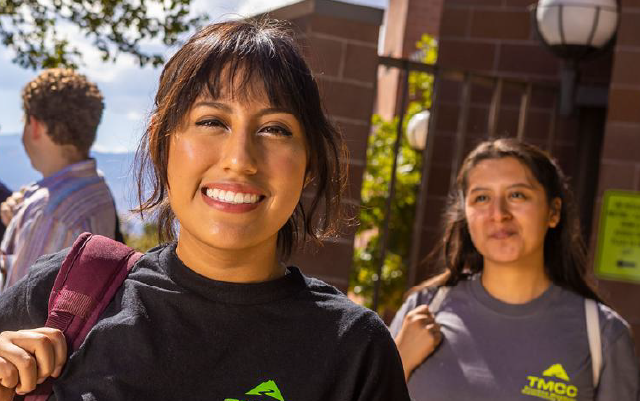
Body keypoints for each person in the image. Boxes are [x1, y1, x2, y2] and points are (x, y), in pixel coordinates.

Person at [0, 19, 411, 400]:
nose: (240, 159)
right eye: (212, 121)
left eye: (274, 129)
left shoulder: (354, 351)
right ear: (163, 146)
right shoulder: (63, 295)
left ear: (308, 167)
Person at [390, 138, 640, 401]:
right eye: (482, 198)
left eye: (517, 195)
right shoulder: (423, 311)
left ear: (554, 212)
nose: (498, 213)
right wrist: (400, 361)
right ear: (465, 213)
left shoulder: (602, 336)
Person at [0, 69, 117, 291]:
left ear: (34, 126)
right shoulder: (96, 187)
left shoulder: (47, 214)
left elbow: (20, 311)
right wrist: (18, 227)